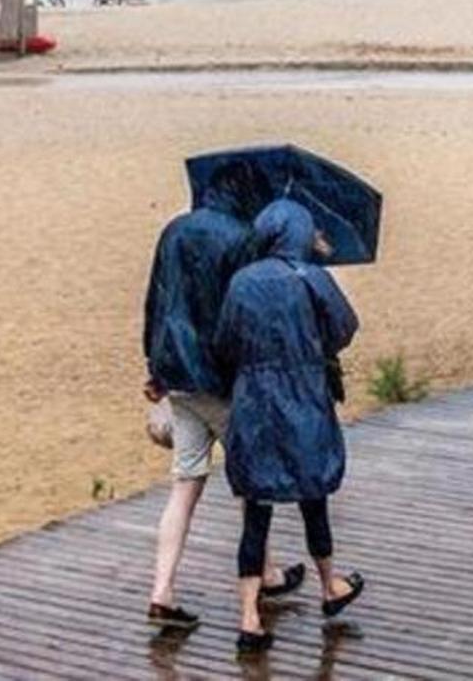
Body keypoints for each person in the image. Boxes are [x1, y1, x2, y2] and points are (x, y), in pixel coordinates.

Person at [143, 168, 302, 629]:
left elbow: (154, 302)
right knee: (254, 482)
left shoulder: (173, 230)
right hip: (221, 380)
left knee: (185, 484)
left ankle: (162, 590)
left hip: (176, 375)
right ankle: (263, 581)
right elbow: (247, 312)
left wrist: (153, 367)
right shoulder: (241, 238)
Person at [213, 199, 364, 656]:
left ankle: (249, 616)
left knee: (256, 509)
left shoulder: (242, 281)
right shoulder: (312, 277)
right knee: (312, 494)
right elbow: (345, 327)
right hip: (303, 396)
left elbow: (224, 342)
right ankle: (328, 585)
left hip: (254, 401)